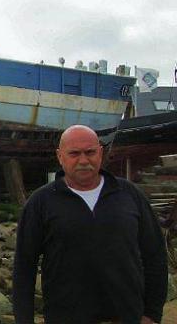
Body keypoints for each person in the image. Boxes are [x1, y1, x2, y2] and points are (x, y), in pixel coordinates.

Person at [12, 125, 167, 323]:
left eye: (90, 152)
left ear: (100, 153)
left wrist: (152, 314)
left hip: (128, 316)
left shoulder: (129, 195)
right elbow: (24, 267)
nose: (83, 160)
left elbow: (155, 255)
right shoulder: (41, 202)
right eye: (74, 153)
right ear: (60, 156)